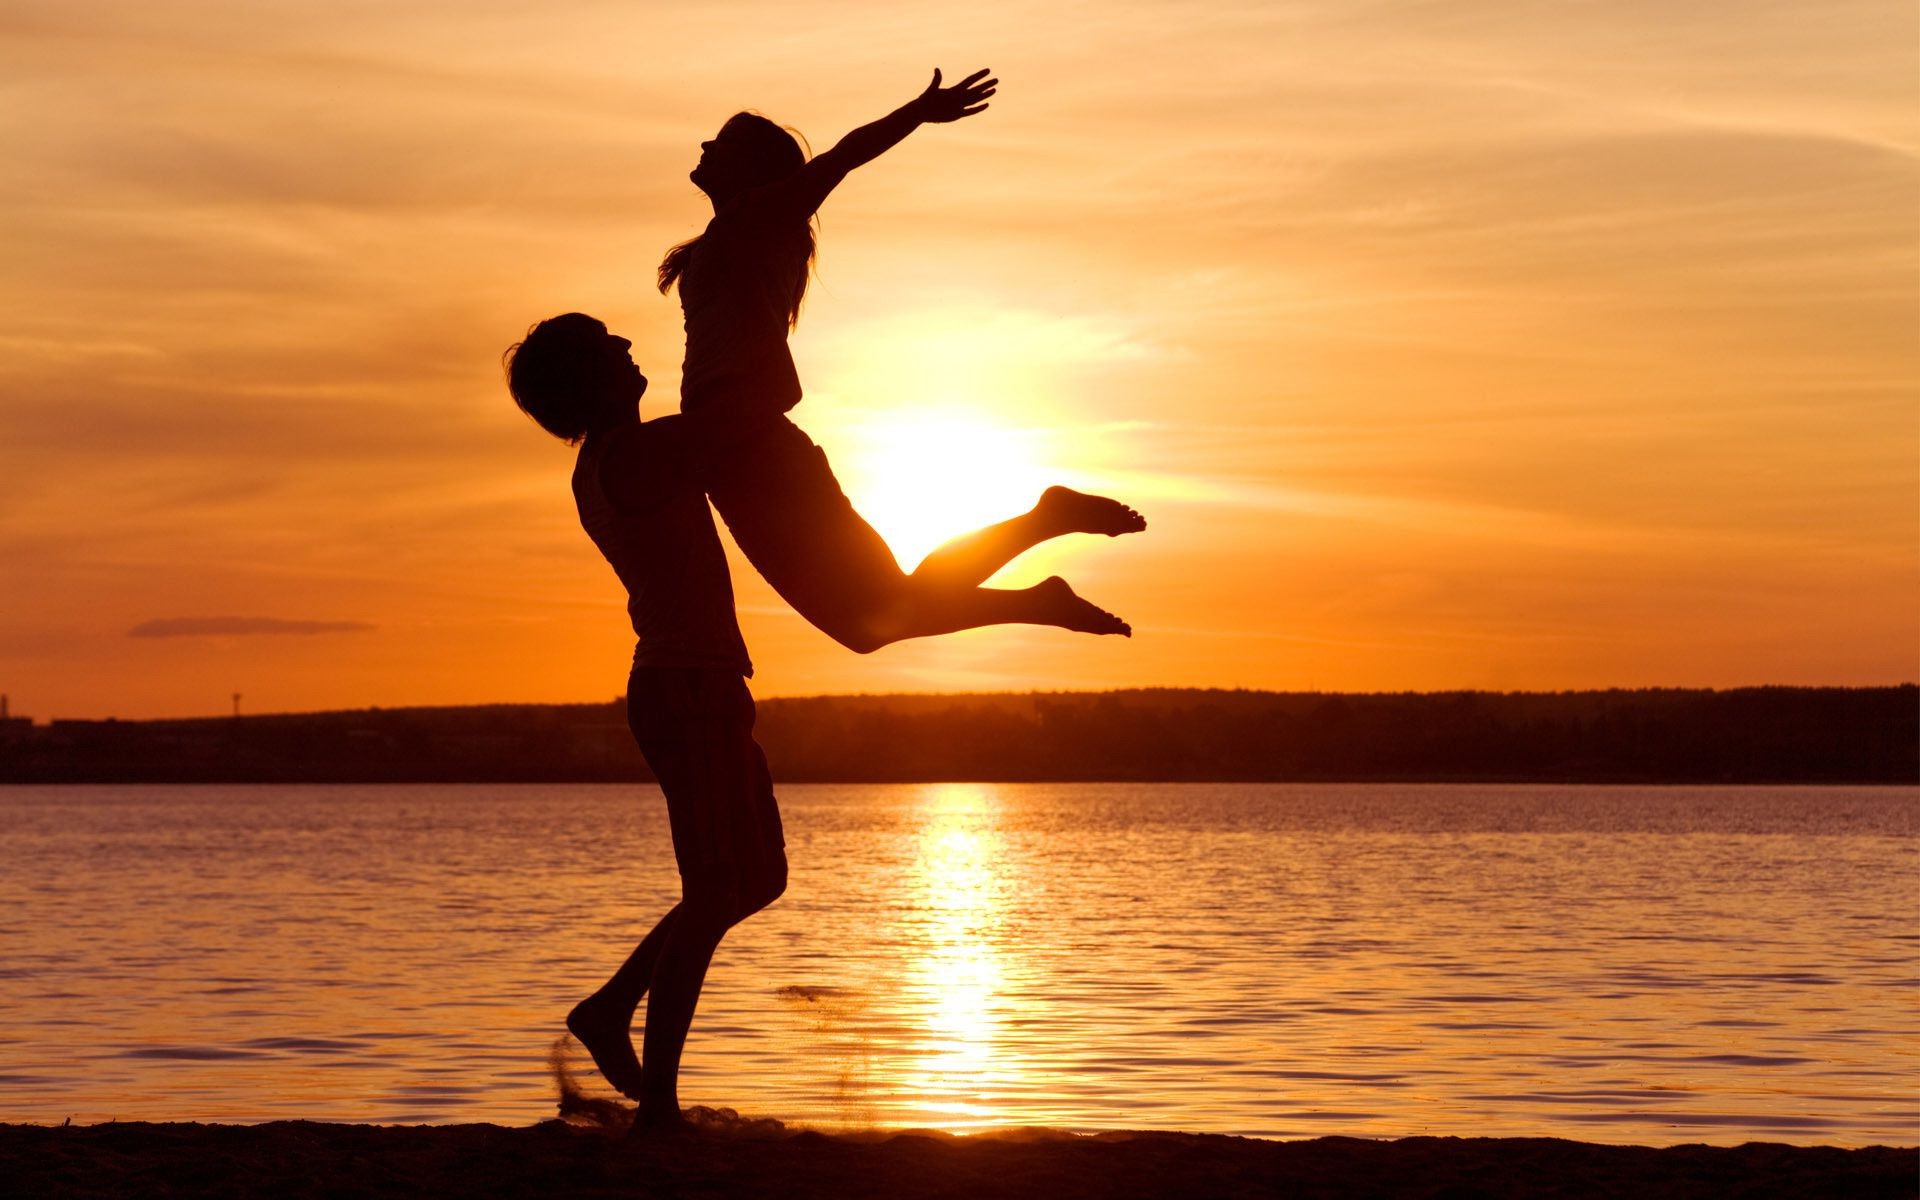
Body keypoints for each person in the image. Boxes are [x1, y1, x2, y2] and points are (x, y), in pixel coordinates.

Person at [660, 68, 1146, 653]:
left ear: (756, 168)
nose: (707, 146)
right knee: (871, 619)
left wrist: (916, 113)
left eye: (724, 141)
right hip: (732, 448)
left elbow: (840, 158)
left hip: (750, 445)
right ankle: (1041, 577)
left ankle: (1044, 541)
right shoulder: (731, 235)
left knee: (875, 614)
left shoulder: (760, 219)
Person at [504, 317, 787, 1132]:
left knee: (758, 879)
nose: (631, 345)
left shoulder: (626, 454)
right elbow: (750, 415)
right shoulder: (630, 456)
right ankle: (659, 1105)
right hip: (685, 688)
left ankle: (609, 1008)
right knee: (714, 891)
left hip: (706, 687)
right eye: (610, 344)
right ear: (592, 378)